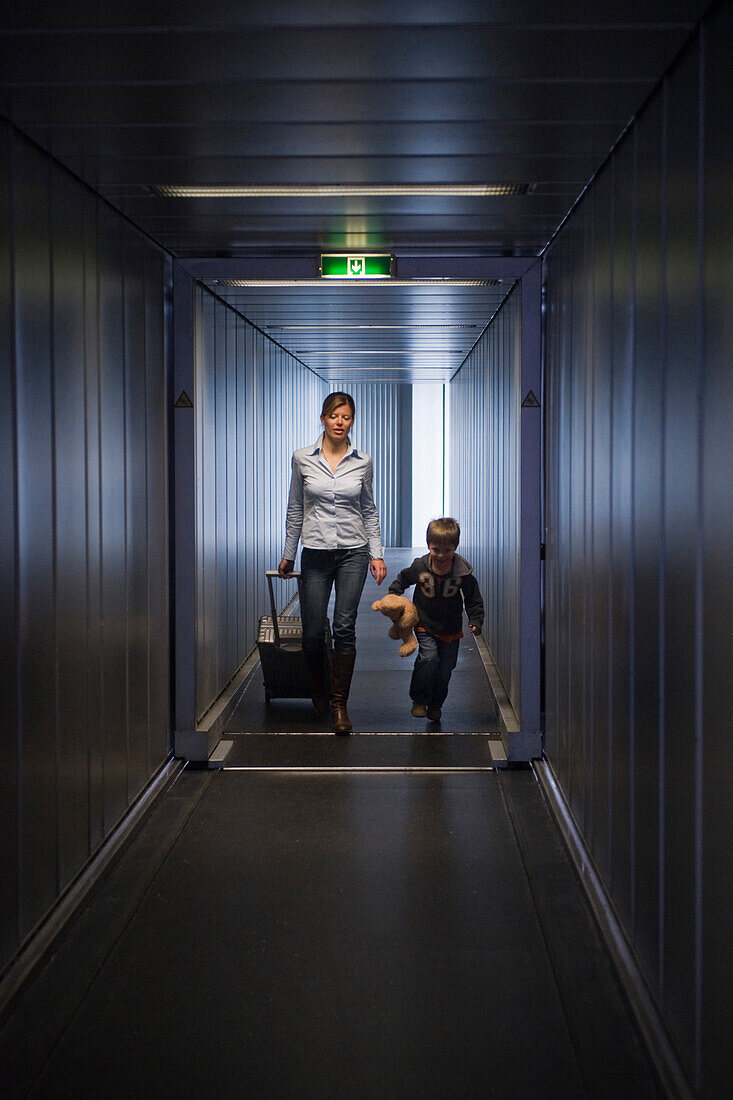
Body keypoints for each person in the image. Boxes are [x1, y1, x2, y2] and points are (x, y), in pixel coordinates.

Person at [278, 392, 387, 733]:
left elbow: (368, 510)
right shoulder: (302, 459)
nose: (340, 422)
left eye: (347, 417)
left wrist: (377, 553)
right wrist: (288, 552)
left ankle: (339, 704)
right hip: (315, 552)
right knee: (311, 634)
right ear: (323, 419)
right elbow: (296, 507)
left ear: (352, 421)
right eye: (334, 416)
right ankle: (319, 686)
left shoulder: (363, 461)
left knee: (344, 627)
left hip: (354, 552)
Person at [387, 517, 484, 723]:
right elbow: (404, 578)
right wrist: (394, 594)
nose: (441, 555)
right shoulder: (421, 566)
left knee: (446, 668)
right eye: (435, 549)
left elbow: (473, 598)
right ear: (428, 545)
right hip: (425, 622)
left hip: (451, 627)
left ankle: (436, 704)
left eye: (447, 550)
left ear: (455, 548)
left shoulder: (462, 573)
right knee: (428, 658)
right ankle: (420, 700)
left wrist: (476, 619)